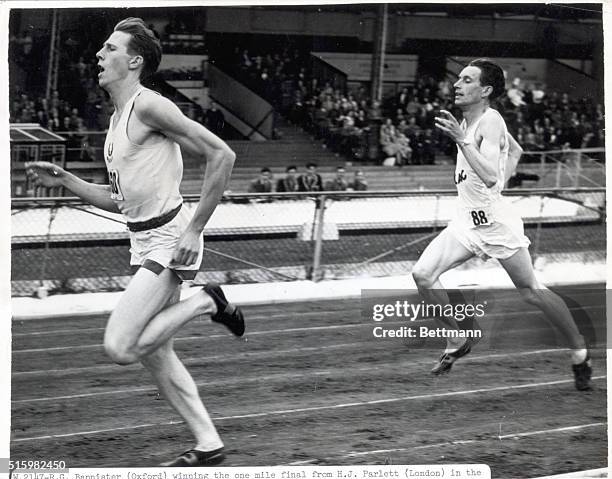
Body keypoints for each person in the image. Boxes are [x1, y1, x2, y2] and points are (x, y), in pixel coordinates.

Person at [25, 18, 245, 466]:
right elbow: (120, 200)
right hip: (144, 241)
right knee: (156, 353)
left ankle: (208, 300)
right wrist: (66, 180)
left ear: (134, 60)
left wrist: (194, 230)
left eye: (109, 49)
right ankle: (208, 445)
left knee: (121, 346)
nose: (99, 57)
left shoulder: (150, 107)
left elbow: (223, 154)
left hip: (170, 239)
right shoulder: (118, 119)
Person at [412, 58, 591, 390]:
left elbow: (492, 177)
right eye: (459, 79)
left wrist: (463, 142)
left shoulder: (489, 121)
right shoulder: (474, 121)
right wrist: (498, 159)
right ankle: (457, 339)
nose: (456, 84)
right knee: (423, 275)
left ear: (485, 90)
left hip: (495, 224)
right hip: (467, 221)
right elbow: (517, 150)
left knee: (532, 292)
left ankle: (580, 350)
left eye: (466, 80)